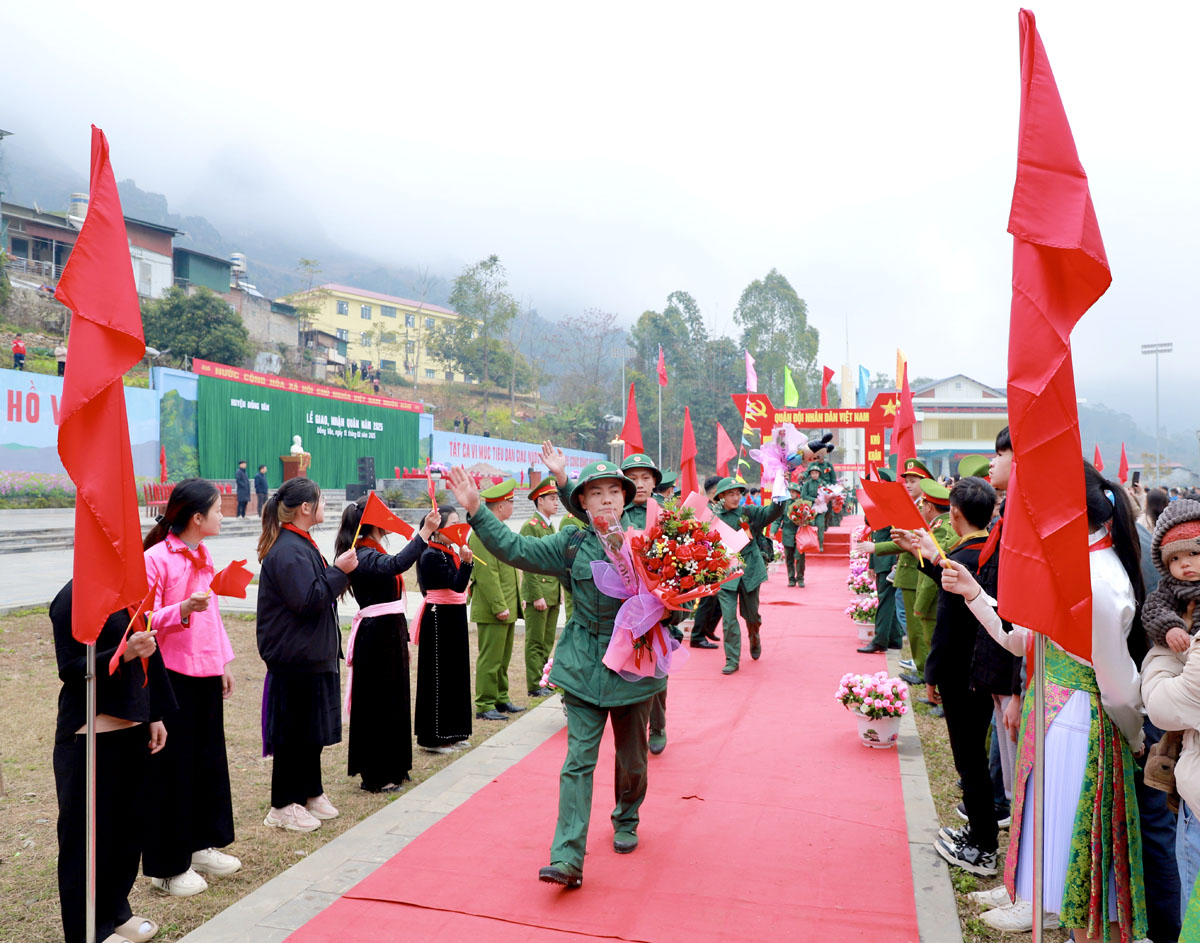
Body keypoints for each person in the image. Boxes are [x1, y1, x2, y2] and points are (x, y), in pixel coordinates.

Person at [945, 462, 1149, 941]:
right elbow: (1023, 640)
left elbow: (1119, 689)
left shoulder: (1099, 580)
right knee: (1062, 856)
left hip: (1082, 727)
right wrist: (974, 592)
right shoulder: (1072, 568)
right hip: (1054, 719)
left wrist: (1136, 736)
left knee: (1086, 884)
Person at [447, 459, 660, 889]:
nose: (606, 499)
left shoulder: (649, 543)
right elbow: (515, 550)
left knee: (633, 760)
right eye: (596, 493)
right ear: (581, 501)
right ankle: (567, 857)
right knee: (578, 761)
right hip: (584, 664)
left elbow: (674, 598)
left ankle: (626, 816)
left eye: (613, 492)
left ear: (625, 498)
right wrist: (476, 510)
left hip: (635, 667)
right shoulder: (571, 544)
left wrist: (670, 613)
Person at [896, 477, 1010, 878]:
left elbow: (949, 622)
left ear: (954, 513)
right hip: (981, 670)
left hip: (962, 674)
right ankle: (979, 832)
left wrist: (932, 673)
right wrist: (924, 554)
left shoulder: (969, 555)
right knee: (974, 755)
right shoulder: (985, 551)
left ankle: (982, 845)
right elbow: (953, 584)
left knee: (969, 760)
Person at [52, 582, 172, 943]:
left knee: (126, 831)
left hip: (132, 729)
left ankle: (117, 912)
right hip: (89, 734)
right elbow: (70, 668)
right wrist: (122, 654)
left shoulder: (129, 593)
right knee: (86, 839)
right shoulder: (73, 597)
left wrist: (155, 713)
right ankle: (88, 930)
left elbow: (150, 653)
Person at [141, 479, 240, 897]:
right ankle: (167, 865)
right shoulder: (155, 559)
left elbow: (212, 615)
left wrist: (223, 662)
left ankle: (200, 845)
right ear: (197, 518)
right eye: (217, 510)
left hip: (204, 673)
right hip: (171, 675)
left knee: (206, 762)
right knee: (172, 771)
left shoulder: (203, 554)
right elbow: (141, 621)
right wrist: (180, 609)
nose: (222, 516)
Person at [256, 477, 359, 831]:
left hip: (312, 655)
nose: (324, 507)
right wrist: (339, 572)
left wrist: (336, 573)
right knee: (293, 733)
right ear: (305, 508)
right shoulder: (286, 550)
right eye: (320, 501)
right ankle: (283, 804)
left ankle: (310, 791)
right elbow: (307, 600)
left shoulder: (301, 544)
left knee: (312, 730)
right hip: (293, 658)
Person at [335, 499, 439, 787]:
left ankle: (395, 764)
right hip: (376, 635)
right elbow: (397, 564)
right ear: (372, 523)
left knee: (394, 699)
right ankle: (377, 773)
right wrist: (425, 533)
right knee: (378, 702)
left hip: (390, 632)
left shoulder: (372, 550)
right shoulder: (363, 554)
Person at [414, 505, 476, 754]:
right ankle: (435, 737)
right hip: (439, 618)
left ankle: (456, 731)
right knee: (439, 677)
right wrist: (466, 564)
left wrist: (463, 561)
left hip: (454, 616)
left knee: (457, 673)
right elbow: (457, 585)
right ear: (438, 531)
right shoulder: (431, 555)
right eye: (452, 524)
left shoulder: (447, 552)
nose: (458, 529)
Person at [869, 458, 935, 684]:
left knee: (918, 627)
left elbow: (910, 540)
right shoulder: (914, 504)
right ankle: (921, 668)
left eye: (913, 481)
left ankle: (925, 671)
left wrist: (875, 548)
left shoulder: (923, 507)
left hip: (916, 570)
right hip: (907, 569)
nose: (907, 485)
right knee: (914, 627)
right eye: (906, 481)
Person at [711, 477, 783, 674]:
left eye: (738, 493)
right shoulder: (713, 517)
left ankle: (754, 634)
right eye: (731, 494)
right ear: (721, 496)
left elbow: (771, 512)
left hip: (749, 570)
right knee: (728, 618)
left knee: (751, 615)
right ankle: (732, 659)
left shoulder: (749, 512)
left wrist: (780, 498)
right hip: (725, 572)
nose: (736, 497)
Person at [469, 479, 526, 721]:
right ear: (501, 506)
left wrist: (516, 601)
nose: (513, 506)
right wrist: (500, 606)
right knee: (490, 658)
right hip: (494, 607)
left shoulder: (499, 531)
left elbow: (510, 571)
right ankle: (484, 704)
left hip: (507, 605)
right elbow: (487, 575)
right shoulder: (482, 535)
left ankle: (501, 698)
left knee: (502, 658)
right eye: (511, 502)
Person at [521, 479, 562, 698]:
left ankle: (543, 680)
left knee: (547, 640)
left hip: (552, 593)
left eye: (557, 498)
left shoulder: (550, 526)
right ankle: (535, 684)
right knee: (535, 640)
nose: (556, 503)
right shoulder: (532, 526)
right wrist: (536, 595)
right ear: (540, 500)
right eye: (552, 499)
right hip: (540, 593)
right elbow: (528, 563)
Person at [863, 468, 905, 654]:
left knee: (886, 601)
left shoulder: (893, 506)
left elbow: (899, 537)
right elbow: (876, 536)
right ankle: (895, 639)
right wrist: (872, 563)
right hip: (881, 559)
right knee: (887, 599)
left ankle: (880, 640)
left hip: (890, 560)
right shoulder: (878, 506)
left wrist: (897, 560)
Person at [687, 475, 725, 649]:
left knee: (717, 597)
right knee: (707, 598)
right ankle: (697, 636)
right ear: (716, 491)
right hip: (704, 560)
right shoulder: (704, 509)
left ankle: (708, 628)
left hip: (716, 559)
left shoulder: (716, 508)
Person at [776, 480, 807, 588]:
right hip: (788, 533)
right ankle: (791, 578)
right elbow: (778, 519)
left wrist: (804, 520)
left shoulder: (802, 504)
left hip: (799, 534)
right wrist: (773, 531)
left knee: (800, 558)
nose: (792, 494)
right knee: (789, 558)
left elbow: (810, 519)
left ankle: (800, 578)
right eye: (790, 492)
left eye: (794, 492)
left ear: (797, 493)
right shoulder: (783, 505)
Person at [800, 464, 827, 551]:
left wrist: (826, 498)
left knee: (820, 525)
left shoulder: (822, 483)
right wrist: (813, 499)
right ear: (810, 474)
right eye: (812, 473)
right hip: (810, 508)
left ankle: (820, 544)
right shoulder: (807, 484)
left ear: (819, 474)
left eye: (816, 473)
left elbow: (827, 493)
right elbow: (803, 496)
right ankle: (809, 543)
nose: (814, 475)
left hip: (820, 508)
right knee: (809, 525)